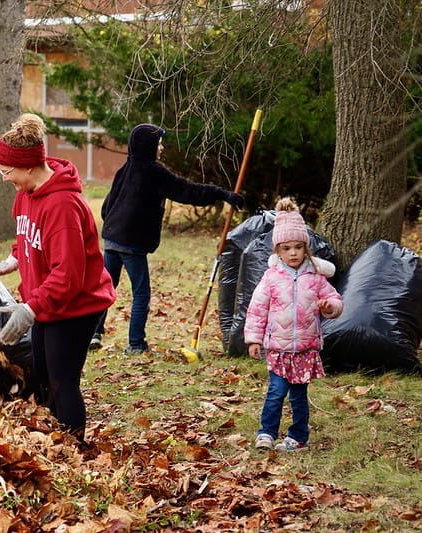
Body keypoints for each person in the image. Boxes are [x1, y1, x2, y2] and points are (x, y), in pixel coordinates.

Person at [0, 113, 116, 440]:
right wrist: (8, 263)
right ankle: (52, 436)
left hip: (78, 306)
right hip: (49, 302)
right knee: (41, 374)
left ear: (27, 167)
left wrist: (29, 309)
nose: (5, 179)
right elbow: (27, 238)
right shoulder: (27, 193)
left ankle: (72, 447)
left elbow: (68, 275)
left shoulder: (63, 205)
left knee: (63, 381)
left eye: (6, 171)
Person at [91, 124, 245, 353]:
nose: (161, 148)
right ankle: (135, 344)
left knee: (105, 290)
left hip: (112, 239)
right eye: (159, 143)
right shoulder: (154, 172)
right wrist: (222, 194)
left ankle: (92, 333)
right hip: (131, 243)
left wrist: (114, 226)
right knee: (141, 294)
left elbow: (107, 206)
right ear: (148, 146)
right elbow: (188, 190)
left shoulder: (126, 168)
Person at [244, 198, 343, 452]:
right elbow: (257, 308)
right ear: (277, 250)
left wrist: (329, 307)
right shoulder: (271, 277)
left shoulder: (316, 278)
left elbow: (334, 299)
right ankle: (266, 433)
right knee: (275, 393)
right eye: (286, 248)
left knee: (299, 397)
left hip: (305, 350)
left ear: (306, 248)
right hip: (278, 348)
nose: (293, 253)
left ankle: (298, 437)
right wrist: (254, 339)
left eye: (298, 247)